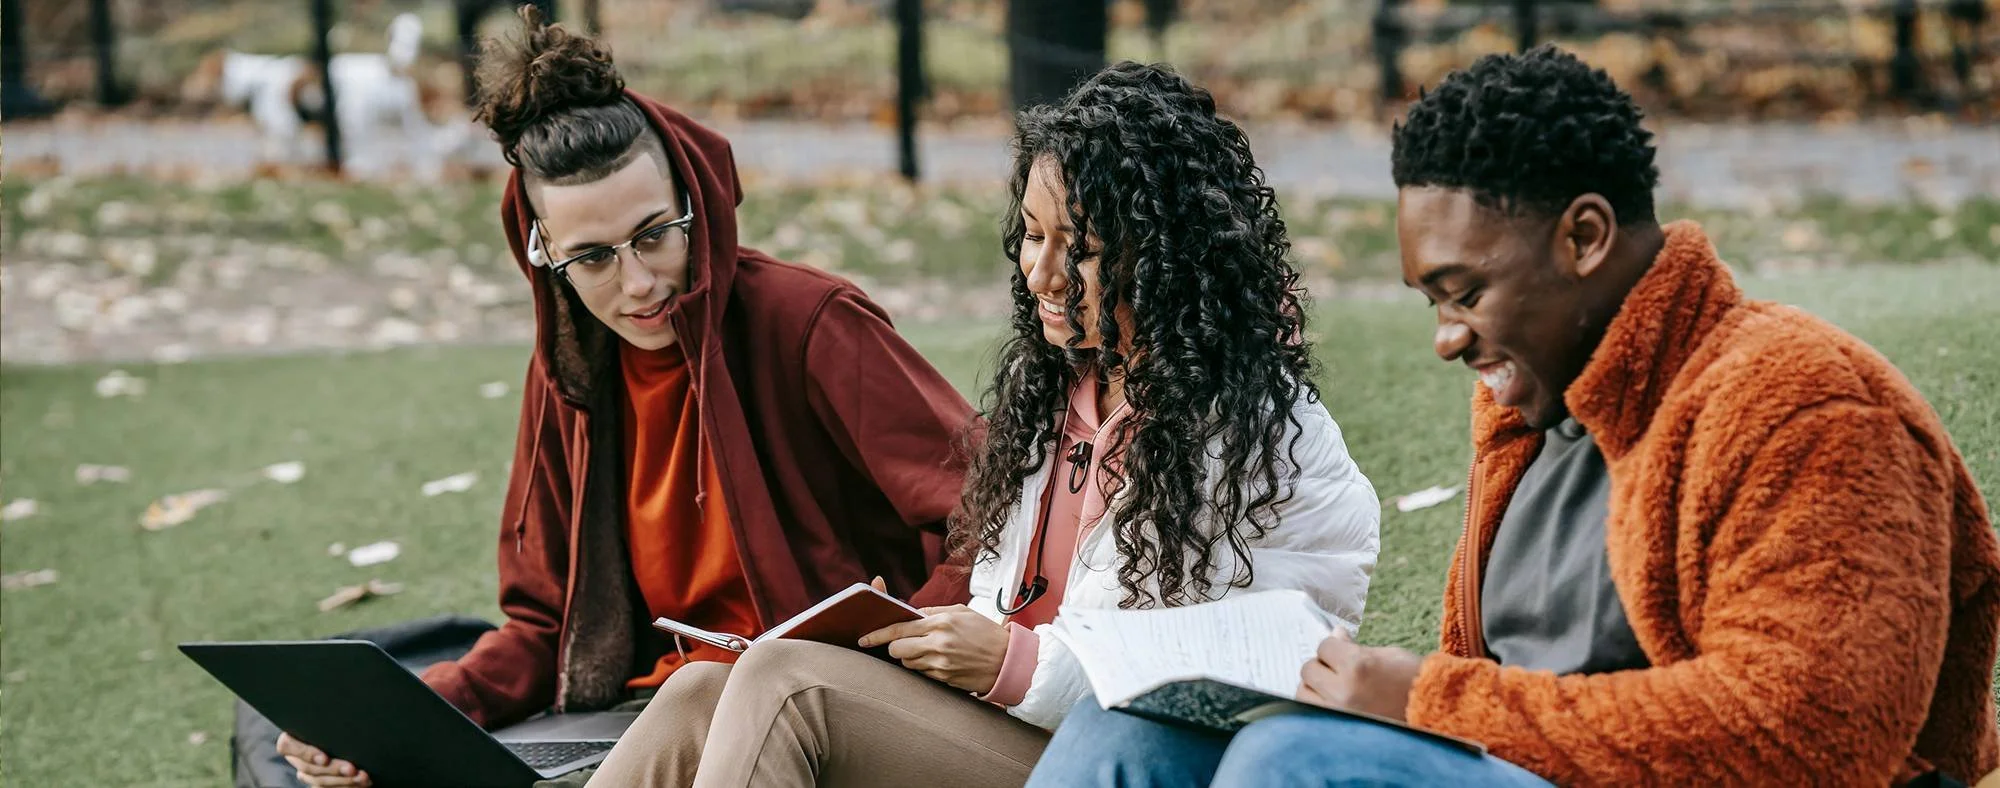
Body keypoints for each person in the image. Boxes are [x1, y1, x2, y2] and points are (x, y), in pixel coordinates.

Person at [1026, 44, 2000, 787]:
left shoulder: (1808, 406)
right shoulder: (1529, 402)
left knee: (1292, 764)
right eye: (1431, 300)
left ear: (1583, 235)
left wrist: (1428, 699)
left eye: (1464, 292)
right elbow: (1491, 677)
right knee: (1123, 730)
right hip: (1524, 763)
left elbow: (1812, 735)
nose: (1446, 337)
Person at [586, 61, 1383, 788]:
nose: (1040, 272)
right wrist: (941, 636)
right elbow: (1012, 597)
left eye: (1081, 248)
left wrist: (1012, 663)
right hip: (1014, 725)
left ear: (1168, 258)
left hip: (1107, 756)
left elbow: (1218, 678)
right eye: (1033, 236)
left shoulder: (1258, 434)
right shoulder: (1057, 394)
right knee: (700, 686)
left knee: (785, 685)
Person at [270, 8, 976, 787]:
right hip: (656, 710)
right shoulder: (570, 379)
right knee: (685, 692)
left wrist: (914, 632)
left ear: (693, 202)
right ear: (545, 257)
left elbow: (991, 503)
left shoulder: (808, 323)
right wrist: (411, 709)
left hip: (835, 697)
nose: (637, 283)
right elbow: (546, 623)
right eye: (593, 257)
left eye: (654, 234)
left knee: (721, 686)